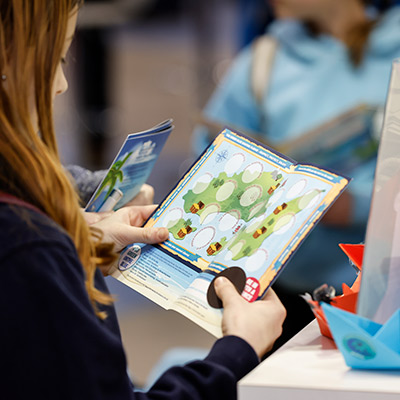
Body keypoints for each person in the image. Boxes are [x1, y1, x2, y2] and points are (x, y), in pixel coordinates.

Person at [0, 1, 286, 399]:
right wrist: (238, 350)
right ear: (9, 62)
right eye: (58, 57)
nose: (62, 83)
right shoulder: (30, 250)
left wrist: (76, 234)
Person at [192, 0, 400, 343]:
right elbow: (206, 154)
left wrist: (358, 204)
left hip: (384, 290)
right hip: (282, 294)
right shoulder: (263, 59)